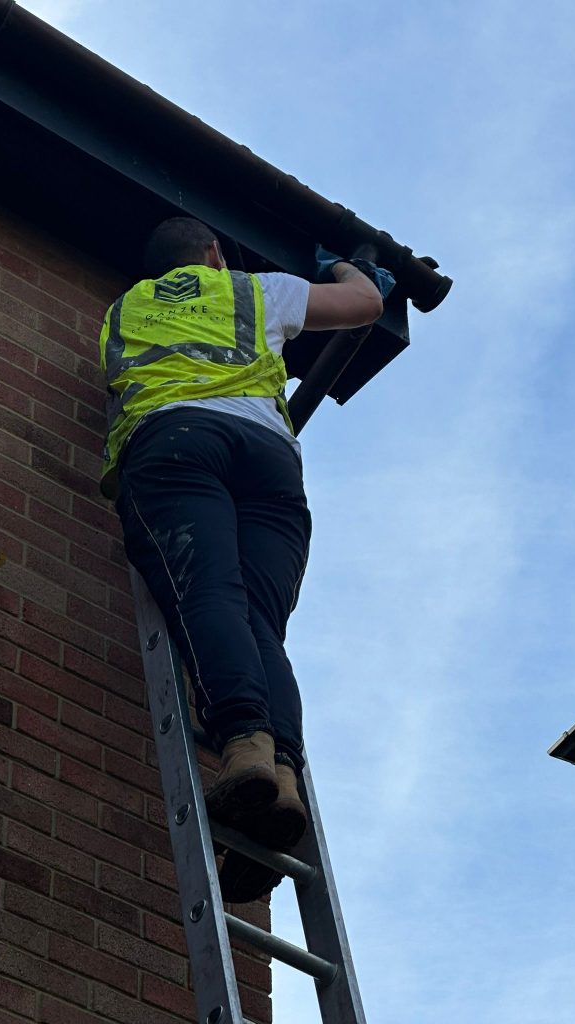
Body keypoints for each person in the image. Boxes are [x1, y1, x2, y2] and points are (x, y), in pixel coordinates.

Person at [99, 217, 391, 899]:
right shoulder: (254, 291)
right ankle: (281, 779)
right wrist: (347, 268)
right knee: (261, 622)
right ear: (213, 253)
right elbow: (364, 306)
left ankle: (247, 748)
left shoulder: (122, 312)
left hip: (178, 441)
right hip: (267, 461)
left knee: (208, 593)